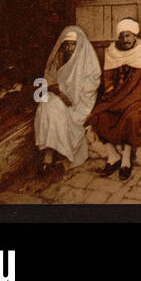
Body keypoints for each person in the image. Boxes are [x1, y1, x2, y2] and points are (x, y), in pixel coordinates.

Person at [88, 18, 141, 181]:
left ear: (135, 36)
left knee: (132, 116)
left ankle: (126, 160)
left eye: (128, 36)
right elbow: (108, 76)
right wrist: (111, 92)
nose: (125, 40)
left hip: (140, 97)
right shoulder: (113, 51)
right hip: (117, 96)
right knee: (100, 113)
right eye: (122, 36)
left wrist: (130, 99)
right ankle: (113, 156)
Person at [34, 25, 101, 175]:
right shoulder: (57, 59)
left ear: (79, 46)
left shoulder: (88, 62)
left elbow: (90, 89)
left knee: (53, 108)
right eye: (66, 45)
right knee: (47, 105)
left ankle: (50, 158)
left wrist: (71, 95)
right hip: (59, 97)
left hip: (78, 104)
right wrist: (59, 93)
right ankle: (49, 157)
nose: (69, 48)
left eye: (72, 45)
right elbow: (43, 86)